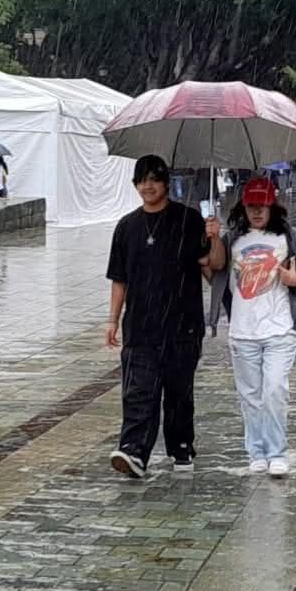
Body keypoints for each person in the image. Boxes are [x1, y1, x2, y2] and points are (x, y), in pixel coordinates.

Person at [106, 155, 226, 478]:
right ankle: (133, 451)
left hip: (182, 325)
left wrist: (215, 236)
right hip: (140, 326)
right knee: (138, 391)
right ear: (135, 185)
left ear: (166, 182)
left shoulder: (187, 220)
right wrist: (112, 319)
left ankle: (181, 448)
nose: (148, 186)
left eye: (155, 179)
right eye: (142, 180)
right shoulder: (126, 227)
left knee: (178, 391)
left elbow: (213, 269)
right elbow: (120, 278)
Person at [209, 177, 296, 476]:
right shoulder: (232, 240)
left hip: (280, 329)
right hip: (243, 331)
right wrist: (213, 236)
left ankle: (277, 451)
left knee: (274, 390)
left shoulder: (288, 238)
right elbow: (214, 270)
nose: (257, 211)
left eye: (262, 205)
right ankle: (256, 451)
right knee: (250, 395)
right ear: (243, 206)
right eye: (251, 205)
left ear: (273, 206)